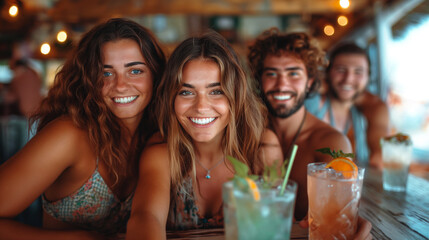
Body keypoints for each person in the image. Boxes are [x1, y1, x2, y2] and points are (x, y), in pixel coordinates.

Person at [0, 18, 166, 239]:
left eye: (135, 71)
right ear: (88, 79)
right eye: (106, 73)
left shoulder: (157, 136)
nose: (120, 85)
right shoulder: (69, 135)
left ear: (156, 75)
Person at [126, 31, 282, 239]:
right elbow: (145, 216)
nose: (201, 107)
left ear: (236, 95)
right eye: (186, 92)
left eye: (216, 91)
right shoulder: (162, 152)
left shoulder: (263, 148)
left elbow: (274, 224)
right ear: (171, 97)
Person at [247, 29, 372, 239]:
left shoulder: (331, 141)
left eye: (293, 73)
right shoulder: (247, 135)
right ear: (259, 80)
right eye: (271, 73)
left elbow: (341, 215)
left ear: (311, 82)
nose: (281, 85)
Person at [305, 42, 388, 169]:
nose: (348, 79)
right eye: (341, 70)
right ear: (328, 73)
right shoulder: (313, 103)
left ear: (368, 77)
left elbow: (379, 157)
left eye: (358, 72)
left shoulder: (363, 113)